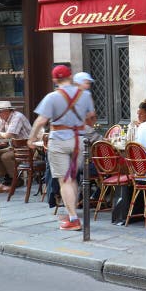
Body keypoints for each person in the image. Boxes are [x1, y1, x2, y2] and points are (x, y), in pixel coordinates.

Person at [27, 65, 95, 231]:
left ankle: (73, 218)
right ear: (70, 76)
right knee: (72, 178)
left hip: (58, 140)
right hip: (78, 141)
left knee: (64, 180)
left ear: (55, 80)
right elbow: (91, 116)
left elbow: (41, 121)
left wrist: (32, 138)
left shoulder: (52, 97)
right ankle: (73, 212)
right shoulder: (85, 95)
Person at [0, 101, 32, 191]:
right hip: (14, 147)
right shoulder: (3, 119)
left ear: (6, 111)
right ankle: (7, 177)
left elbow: (9, 135)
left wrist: (0, 134)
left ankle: (16, 180)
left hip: (26, 148)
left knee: (5, 157)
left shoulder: (17, 117)